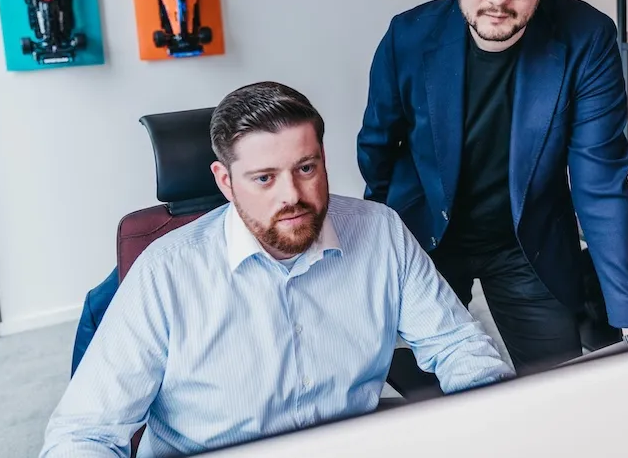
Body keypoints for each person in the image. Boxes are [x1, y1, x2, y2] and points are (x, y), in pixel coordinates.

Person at [40, 81, 513, 457]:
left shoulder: (380, 231)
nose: (291, 195)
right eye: (264, 178)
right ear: (225, 181)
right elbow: (84, 435)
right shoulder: (166, 274)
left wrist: (502, 423)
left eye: (305, 168)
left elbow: (456, 346)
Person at [357, 0, 628, 379]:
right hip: (426, 237)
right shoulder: (407, 36)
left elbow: (601, 183)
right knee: (417, 391)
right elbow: (377, 148)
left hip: (529, 242)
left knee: (558, 384)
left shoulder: (587, 39)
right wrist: (389, 236)